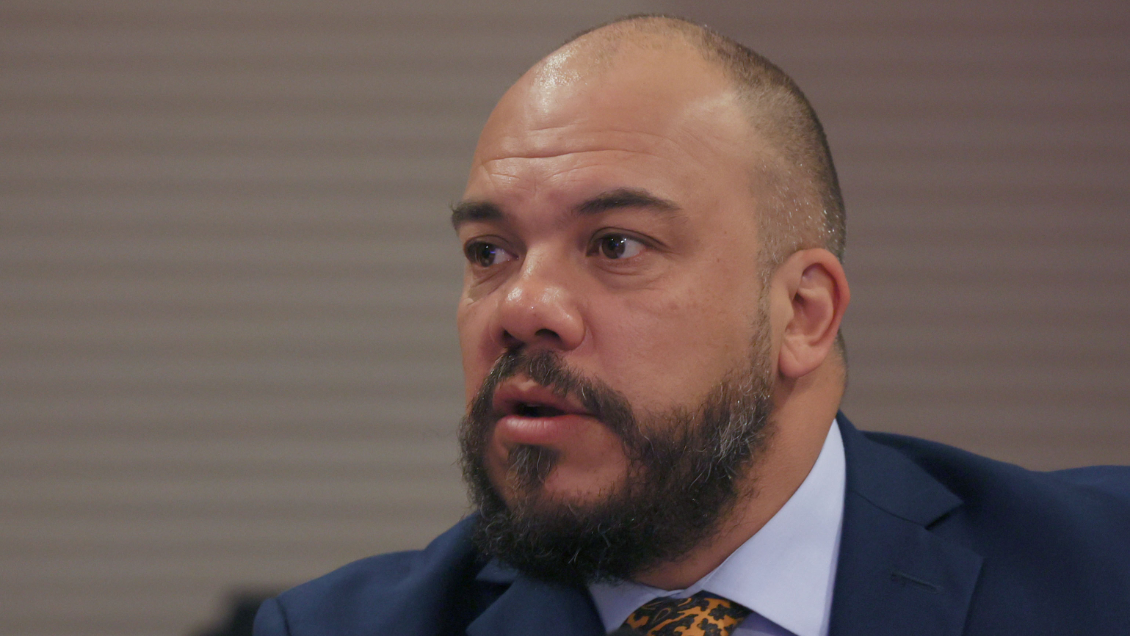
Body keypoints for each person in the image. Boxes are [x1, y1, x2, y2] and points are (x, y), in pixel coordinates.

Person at [253, 15, 1130, 636]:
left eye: (616, 244)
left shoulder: (1102, 570)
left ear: (802, 314)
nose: (521, 307)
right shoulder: (335, 627)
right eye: (490, 252)